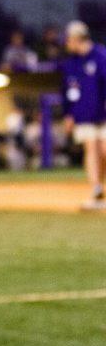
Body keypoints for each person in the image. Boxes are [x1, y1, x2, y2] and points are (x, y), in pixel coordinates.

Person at [62, 21, 106, 209]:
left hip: (103, 113)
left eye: (68, 39)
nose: (66, 43)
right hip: (83, 115)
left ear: (77, 38)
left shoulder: (101, 56)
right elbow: (67, 90)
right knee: (91, 148)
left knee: (104, 150)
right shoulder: (71, 64)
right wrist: (68, 114)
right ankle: (96, 190)